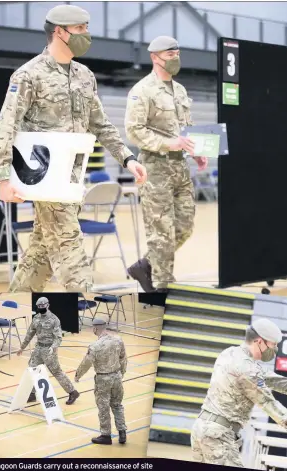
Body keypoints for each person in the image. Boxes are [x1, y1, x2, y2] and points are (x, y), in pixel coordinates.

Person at [0, 4, 147, 292]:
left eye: (86, 28)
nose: (86, 35)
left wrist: (127, 158)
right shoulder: (28, 75)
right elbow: (6, 125)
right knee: (70, 250)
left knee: (40, 253)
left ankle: (14, 304)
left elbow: (100, 124)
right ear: (59, 32)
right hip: (44, 178)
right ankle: (84, 309)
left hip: (73, 179)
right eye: (80, 29)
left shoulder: (85, 76)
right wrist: (1, 178)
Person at [125, 35, 208, 293]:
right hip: (155, 168)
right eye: (169, 54)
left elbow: (185, 128)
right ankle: (163, 289)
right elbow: (134, 131)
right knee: (161, 233)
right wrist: (167, 144)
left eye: (177, 53)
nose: (175, 58)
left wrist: (196, 150)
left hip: (180, 169)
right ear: (155, 57)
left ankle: (144, 266)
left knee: (184, 227)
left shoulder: (180, 90)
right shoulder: (142, 91)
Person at [190, 318, 287, 467]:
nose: (275, 349)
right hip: (218, 436)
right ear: (259, 341)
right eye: (273, 345)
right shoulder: (248, 370)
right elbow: (269, 404)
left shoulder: (230, 353)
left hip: (202, 428)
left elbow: (269, 377)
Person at [17, 296, 80, 405]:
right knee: (32, 369)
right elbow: (30, 333)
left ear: (48, 305)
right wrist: (22, 347)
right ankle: (32, 394)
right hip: (38, 349)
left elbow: (58, 337)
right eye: (39, 306)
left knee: (56, 372)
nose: (41, 307)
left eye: (43, 306)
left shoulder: (54, 320)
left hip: (49, 349)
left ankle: (72, 392)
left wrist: (53, 347)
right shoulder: (36, 318)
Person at [75, 317, 128, 445]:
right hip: (117, 377)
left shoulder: (95, 346)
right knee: (117, 404)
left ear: (95, 328)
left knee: (103, 407)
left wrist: (78, 375)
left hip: (102, 379)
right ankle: (122, 432)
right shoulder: (118, 340)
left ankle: (105, 435)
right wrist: (122, 373)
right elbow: (123, 358)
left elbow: (86, 363)